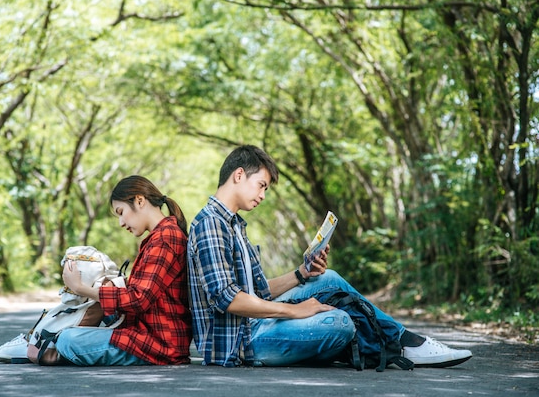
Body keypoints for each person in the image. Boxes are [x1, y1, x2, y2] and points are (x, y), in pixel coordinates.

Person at [187, 145, 472, 368]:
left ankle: (404, 340)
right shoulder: (211, 222)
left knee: (329, 278)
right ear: (239, 175)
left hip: (251, 326)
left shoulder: (234, 223)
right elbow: (227, 298)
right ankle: (397, 345)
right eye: (262, 185)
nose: (263, 195)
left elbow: (258, 291)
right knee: (340, 323)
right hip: (238, 343)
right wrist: (295, 311)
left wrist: (302, 273)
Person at [0, 175, 192, 366]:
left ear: (139, 201)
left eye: (121, 212)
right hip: (146, 332)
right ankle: (39, 340)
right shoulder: (161, 237)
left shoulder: (166, 238)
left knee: (68, 340)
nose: (121, 222)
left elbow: (138, 299)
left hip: (159, 344)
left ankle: (44, 345)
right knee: (83, 315)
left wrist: (83, 288)